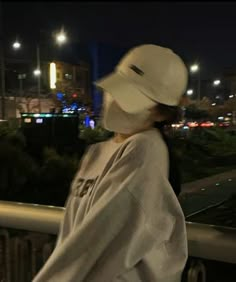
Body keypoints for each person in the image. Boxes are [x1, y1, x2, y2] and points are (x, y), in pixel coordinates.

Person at [33, 44, 188, 282]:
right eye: (117, 90)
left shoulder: (145, 149)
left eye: (131, 99)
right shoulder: (98, 152)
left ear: (162, 113)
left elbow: (95, 238)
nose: (115, 101)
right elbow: (74, 233)